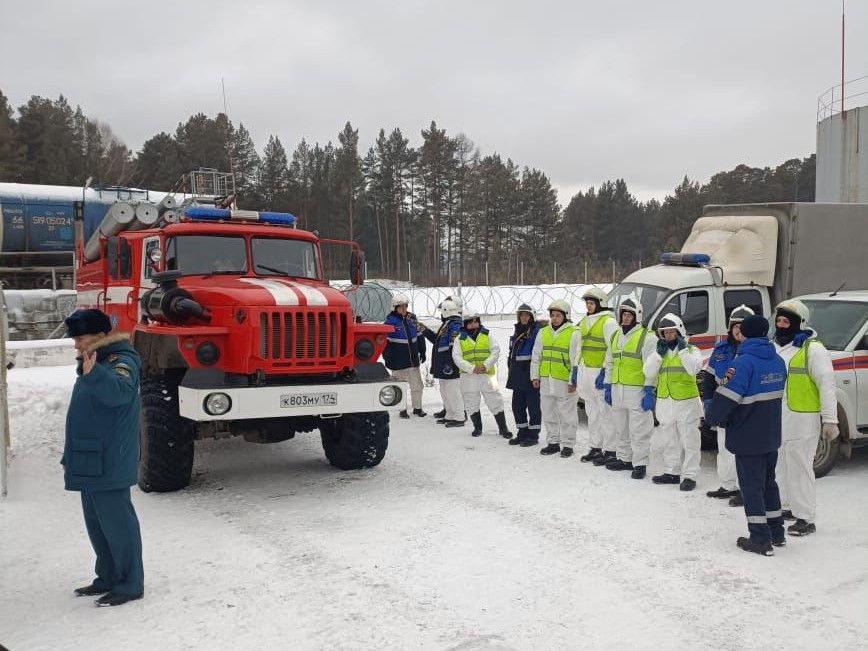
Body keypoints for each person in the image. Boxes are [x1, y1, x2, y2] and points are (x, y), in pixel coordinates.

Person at [62, 308, 144, 606]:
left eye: (79, 337)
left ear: (99, 335)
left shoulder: (122, 359)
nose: (75, 344)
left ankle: (130, 583)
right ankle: (107, 576)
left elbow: (120, 392)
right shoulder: (93, 359)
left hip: (109, 457)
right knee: (97, 524)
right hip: (89, 456)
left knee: (117, 524)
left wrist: (94, 374)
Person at [706, 315, 787, 556]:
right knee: (769, 483)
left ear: (747, 334)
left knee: (751, 486)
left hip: (747, 434)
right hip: (771, 433)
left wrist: (711, 416)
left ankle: (760, 538)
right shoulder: (778, 361)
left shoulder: (742, 363)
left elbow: (727, 397)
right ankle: (776, 531)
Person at [772, 299, 838, 537]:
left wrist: (830, 419)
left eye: (786, 321)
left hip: (803, 419)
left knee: (800, 468)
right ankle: (786, 506)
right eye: (778, 320)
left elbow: (827, 385)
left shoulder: (813, 349)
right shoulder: (774, 347)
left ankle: (806, 517)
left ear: (799, 323)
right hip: (778, 418)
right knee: (780, 465)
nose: (781, 325)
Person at [644, 314, 704, 490]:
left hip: (687, 403)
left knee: (690, 440)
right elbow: (648, 372)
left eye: (672, 332)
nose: (669, 335)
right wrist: (657, 355)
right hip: (665, 401)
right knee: (669, 439)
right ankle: (672, 471)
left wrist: (683, 350)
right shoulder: (660, 352)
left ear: (679, 332)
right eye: (665, 332)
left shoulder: (692, 349)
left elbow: (694, 368)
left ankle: (690, 475)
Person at [702, 305, 755, 504]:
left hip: (745, 406)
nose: (738, 330)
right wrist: (708, 402)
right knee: (724, 447)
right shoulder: (721, 349)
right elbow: (709, 377)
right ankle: (728, 485)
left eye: (742, 326)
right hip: (724, 404)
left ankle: (744, 489)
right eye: (735, 326)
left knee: (743, 450)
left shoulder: (754, 351)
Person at [603, 296, 656, 478]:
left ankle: (640, 464)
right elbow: (610, 362)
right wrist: (608, 385)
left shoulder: (647, 337)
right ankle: (625, 458)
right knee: (621, 427)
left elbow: (652, 367)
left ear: (637, 317)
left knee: (639, 430)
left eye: (629, 315)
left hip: (637, 390)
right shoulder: (616, 335)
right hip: (617, 389)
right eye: (623, 314)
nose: (625, 318)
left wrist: (649, 390)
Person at [570, 286, 618, 464]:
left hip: (600, 372)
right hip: (586, 372)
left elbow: (612, 349)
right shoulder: (584, 321)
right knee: (592, 413)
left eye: (592, 303)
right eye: (588, 303)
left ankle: (611, 450)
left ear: (600, 303)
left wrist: (606, 371)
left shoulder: (609, 322)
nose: (589, 306)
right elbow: (580, 348)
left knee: (607, 413)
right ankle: (596, 447)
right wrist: (576, 368)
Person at [531, 299, 580, 458]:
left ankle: (568, 444)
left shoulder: (573, 333)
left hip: (564, 382)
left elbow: (576, 359)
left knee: (567, 415)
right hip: (546, 380)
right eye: (553, 315)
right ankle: (553, 443)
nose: (555, 318)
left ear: (566, 316)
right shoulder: (543, 332)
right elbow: (536, 356)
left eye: (558, 315)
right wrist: (535, 376)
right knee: (548, 413)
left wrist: (574, 381)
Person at [452, 312, 512, 438]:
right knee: (470, 401)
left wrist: (485, 365)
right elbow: (456, 357)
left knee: (495, 399)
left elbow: (495, 351)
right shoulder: (459, 339)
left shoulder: (487, 334)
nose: (474, 325)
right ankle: (477, 428)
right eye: (470, 322)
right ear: (465, 324)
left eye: (476, 322)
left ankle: (503, 428)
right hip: (468, 376)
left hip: (488, 374)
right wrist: (472, 368)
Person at [383, 293, 427, 418]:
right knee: (400, 387)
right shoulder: (390, 322)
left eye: (405, 306)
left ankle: (418, 408)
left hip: (413, 360)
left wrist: (422, 351)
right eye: (400, 307)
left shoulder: (412, 319)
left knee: (417, 385)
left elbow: (419, 336)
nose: (403, 309)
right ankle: (402, 410)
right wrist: (387, 358)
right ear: (394, 307)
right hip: (398, 362)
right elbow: (384, 343)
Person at [423, 299, 465, 426]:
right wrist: (424, 330)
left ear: (446, 311)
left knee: (453, 391)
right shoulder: (447, 324)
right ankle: (450, 414)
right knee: (445, 391)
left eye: (441, 311)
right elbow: (437, 341)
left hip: (449, 364)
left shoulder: (455, 325)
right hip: (443, 363)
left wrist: (451, 363)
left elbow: (455, 346)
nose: (440, 314)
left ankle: (459, 417)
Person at [506, 303, 542, 447]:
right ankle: (522, 432)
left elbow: (537, 354)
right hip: (517, 373)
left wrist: (536, 375)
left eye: (527, 315)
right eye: (521, 315)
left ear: (532, 316)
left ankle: (533, 435)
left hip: (530, 374)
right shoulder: (518, 330)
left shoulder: (537, 331)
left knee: (533, 407)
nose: (524, 317)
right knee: (517, 406)